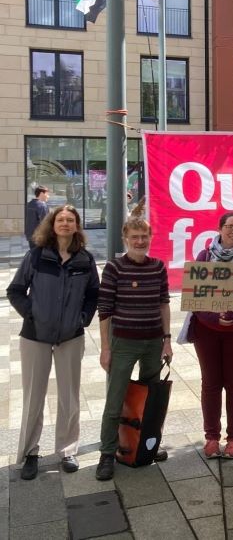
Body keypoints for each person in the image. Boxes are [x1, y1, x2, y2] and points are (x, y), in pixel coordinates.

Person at [7, 205, 99, 480]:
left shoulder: (85, 259)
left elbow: (94, 293)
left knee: (69, 396)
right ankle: (30, 452)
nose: (65, 224)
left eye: (71, 220)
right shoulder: (36, 256)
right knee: (33, 396)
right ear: (52, 224)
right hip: (35, 336)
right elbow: (15, 290)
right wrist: (32, 314)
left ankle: (67, 449)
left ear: (77, 226)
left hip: (71, 336)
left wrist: (82, 318)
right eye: (60, 219)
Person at [95, 215, 172, 481]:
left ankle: (147, 443)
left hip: (153, 342)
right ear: (125, 239)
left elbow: (164, 303)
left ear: (150, 238)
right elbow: (104, 311)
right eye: (135, 237)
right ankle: (107, 453)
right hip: (124, 344)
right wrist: (105, 348)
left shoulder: (158, 267)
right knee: (115, 399)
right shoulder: (114, 268)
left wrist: (167, 340)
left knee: (151, 398)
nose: (140, 241)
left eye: (144, 236)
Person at [188, 213, 233, 459]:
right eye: (229, 227)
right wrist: (212, 317)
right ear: (219, 229)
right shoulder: (205, 257)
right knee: (210, 383)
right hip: (206, 331)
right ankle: (211, 437)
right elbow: (195, 299)